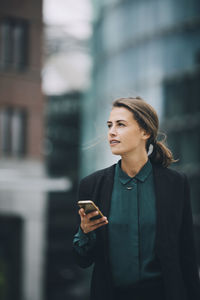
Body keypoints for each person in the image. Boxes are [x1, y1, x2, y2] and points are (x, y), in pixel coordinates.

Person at [72, 97, 200, 300]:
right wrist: (84, 232)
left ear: (145, 132)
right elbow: (82, 260)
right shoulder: (92, 185)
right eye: (109, 125)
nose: (112, 131)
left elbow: (186, 255)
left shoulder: (175, 183)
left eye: (121, 124)